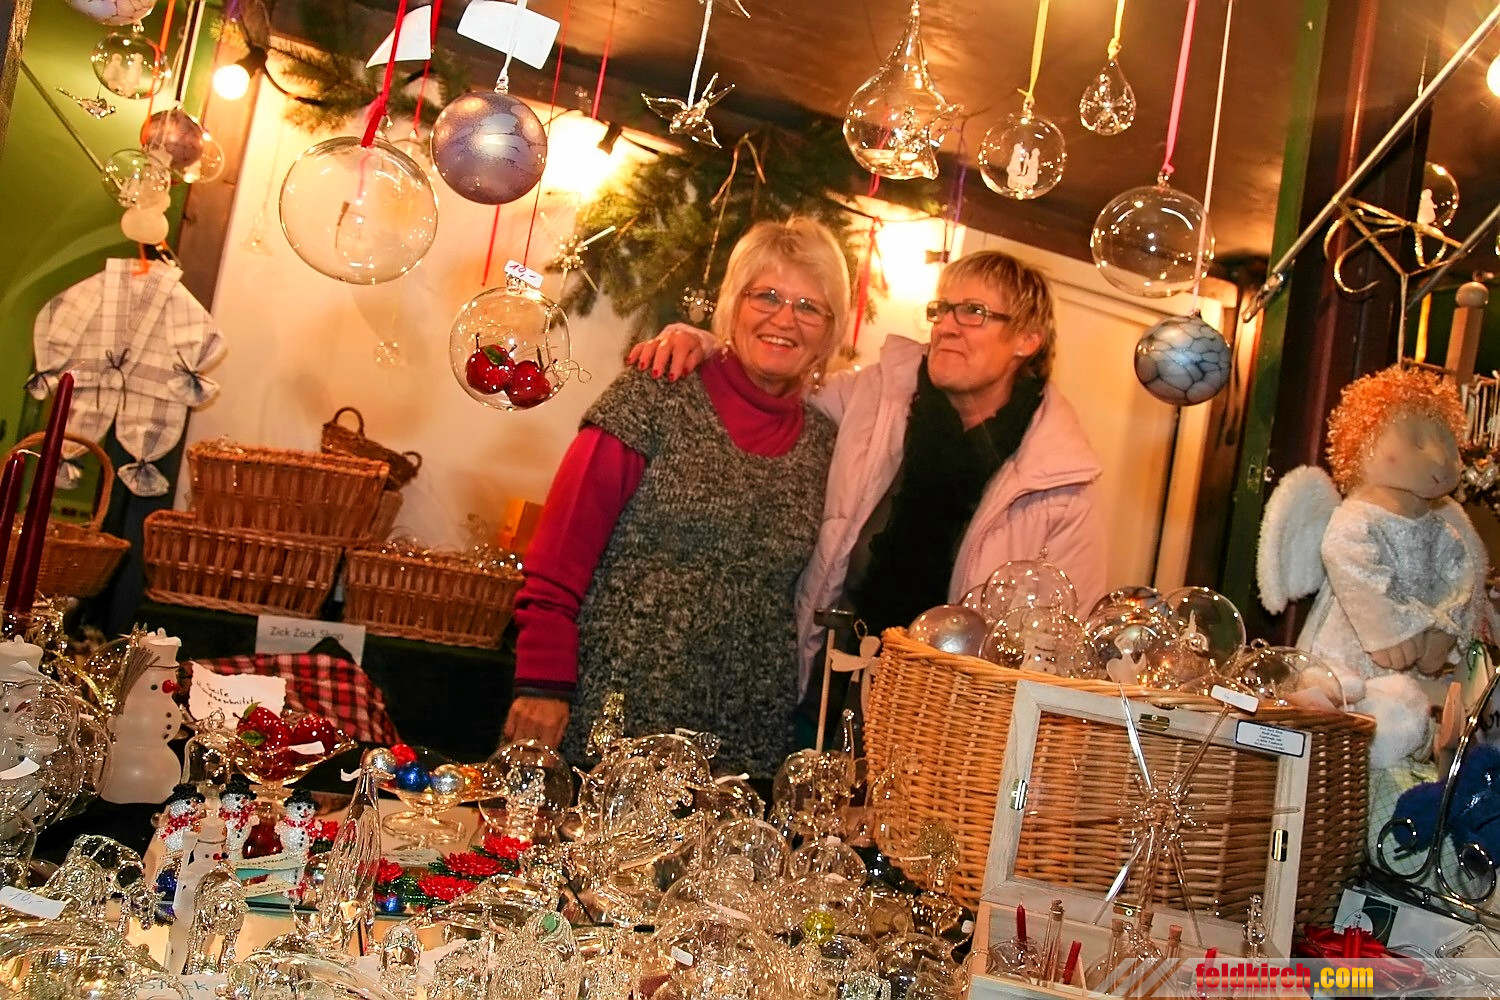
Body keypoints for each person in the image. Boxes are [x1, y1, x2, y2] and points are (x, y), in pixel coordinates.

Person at [632, 249, 1106, 728]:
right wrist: (701, 343)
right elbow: (773, 376)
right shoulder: (878, 395)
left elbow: (1064, 663)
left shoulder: (1060, 484)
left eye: (974, 312)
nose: (947, 326)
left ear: (1027, 339)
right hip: (824, 695)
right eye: (943, 309)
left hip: (948, 733)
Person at [502, 217, 851, 779]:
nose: (785, 319)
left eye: (810, 307)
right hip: (608, 715)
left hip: (744, 744)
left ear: (831, 330)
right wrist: (543, 682)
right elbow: (561, 548)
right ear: (733, 304)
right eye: (766, 296)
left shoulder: (827, 445)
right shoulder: (654, 391)